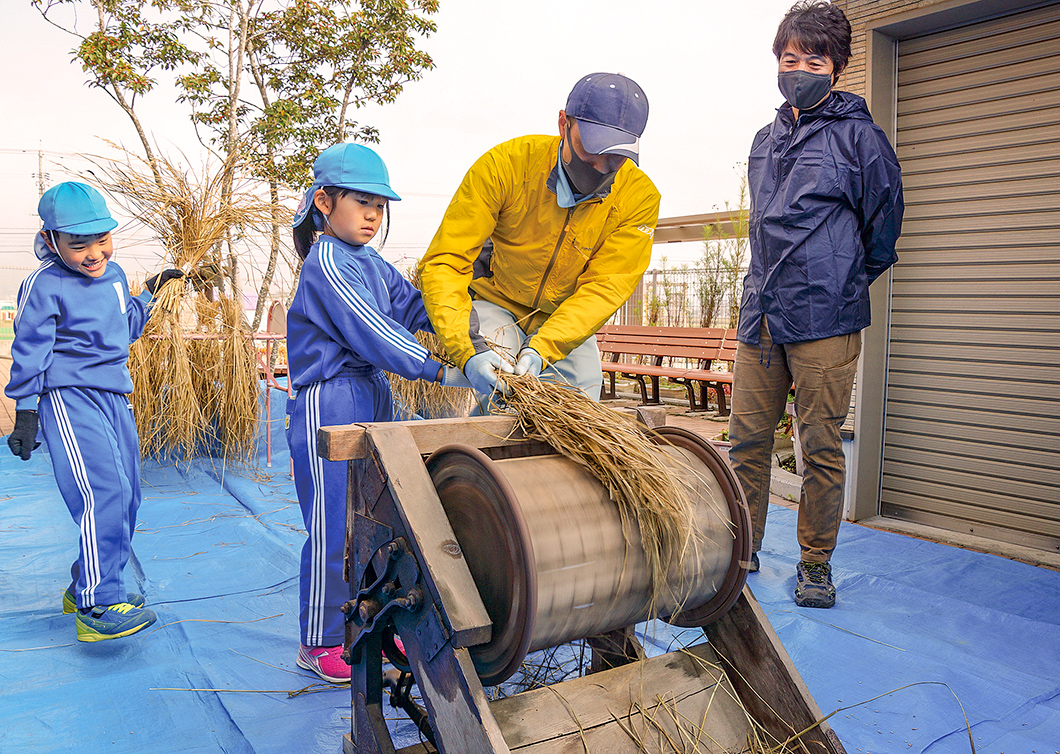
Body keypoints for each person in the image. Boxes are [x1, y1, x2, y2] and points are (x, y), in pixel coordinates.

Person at [728, 0, 904, 608]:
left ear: (837, 66)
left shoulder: (862, 139)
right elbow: (762, 225)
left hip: (826, 318)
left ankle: (815, 564)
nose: (796, 66)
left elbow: (883, 230)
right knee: (747, 441)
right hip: (762, 315)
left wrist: (842, 279)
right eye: (788, 56)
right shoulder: (764, 139)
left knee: (819, 447)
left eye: (812, 57)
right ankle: (742, 548)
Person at [286, 143, 470, 683]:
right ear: (324, 201)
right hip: (331, 400)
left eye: (380, 206)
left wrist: (461, 320)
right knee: (333, 524)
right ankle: (320, 638)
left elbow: (409, 305)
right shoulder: (325, 261)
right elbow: (371, 327)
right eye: (362, 201)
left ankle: (367, 621)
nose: (373, 214)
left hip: (371, 394)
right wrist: (436, 368)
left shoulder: (368, 260)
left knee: (375, 518)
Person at [417, 72, 661, 409]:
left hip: (565, 319)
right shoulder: (506, 166)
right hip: (498, 304)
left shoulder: (639, 197)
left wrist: (542, 348)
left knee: (580, 409)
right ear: (564, 124)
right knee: (489, 387)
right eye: (592, 148)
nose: (602, 167)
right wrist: (468, 351)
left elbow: (605, 288)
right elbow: (446, 261)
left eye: (615, 156)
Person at [5, 181, 183, 641]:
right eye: (77, 244)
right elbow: (30, 350)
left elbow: (120, 331)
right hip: (68, 397)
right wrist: (27, 411)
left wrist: (150, 293)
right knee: (101, 492)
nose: (92, 253)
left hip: (114, 396)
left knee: (127, 495)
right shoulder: (44, 284)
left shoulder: (117, 275)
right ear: (51, 241)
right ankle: (99, 608)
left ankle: (87, 581)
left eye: (100, 239)